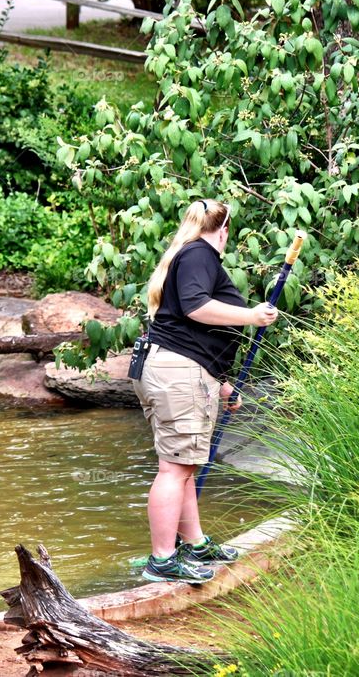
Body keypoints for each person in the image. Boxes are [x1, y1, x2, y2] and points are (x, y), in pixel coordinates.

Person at [133, 199, 278, 583]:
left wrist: (222, 385)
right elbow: (196, 308)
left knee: (183, 465)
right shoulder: (200, 254)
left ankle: (194, 544)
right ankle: (162, 559)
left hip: (175, 370)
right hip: (177, 374)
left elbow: (186, 329)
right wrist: (251, 316)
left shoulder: (189, 254)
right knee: (174, 468)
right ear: (224, 229)